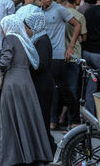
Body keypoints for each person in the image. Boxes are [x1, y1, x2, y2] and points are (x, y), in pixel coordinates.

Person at [0, 14, 52, 166]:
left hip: (13, 82)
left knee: (11, 120)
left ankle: (12, 157)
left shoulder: (9, 38)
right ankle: (33, 155)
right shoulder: (23, 39)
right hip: (26, 81)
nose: (2, 30)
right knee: (27, 118)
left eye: (2, 27)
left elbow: (6, 60)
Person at [37, 0, 81, 130]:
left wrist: (70, 47)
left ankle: (74, 119)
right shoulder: (37, 11)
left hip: (57, 55)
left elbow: (77, 25)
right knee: (48, 89)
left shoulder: (59, 9)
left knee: (63, 89)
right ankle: (50, 121)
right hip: (43, 56)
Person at [24, 12, 57, 155]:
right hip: (40, 84)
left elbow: (41, 65)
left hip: (43, 85)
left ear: (34, 26)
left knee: (42, 118)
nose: (26, 30)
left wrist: (26, 64)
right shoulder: (37, 39)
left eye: (27, 27)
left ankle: (48, 149)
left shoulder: (42, 40)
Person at [65, 0, 87, 130]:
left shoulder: (59, 12)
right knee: (72, 90)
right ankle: (71, 122)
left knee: (59, 90)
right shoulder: (79, 16)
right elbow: (83, 38)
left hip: (60, 55)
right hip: (74, 56)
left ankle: (53, 120)